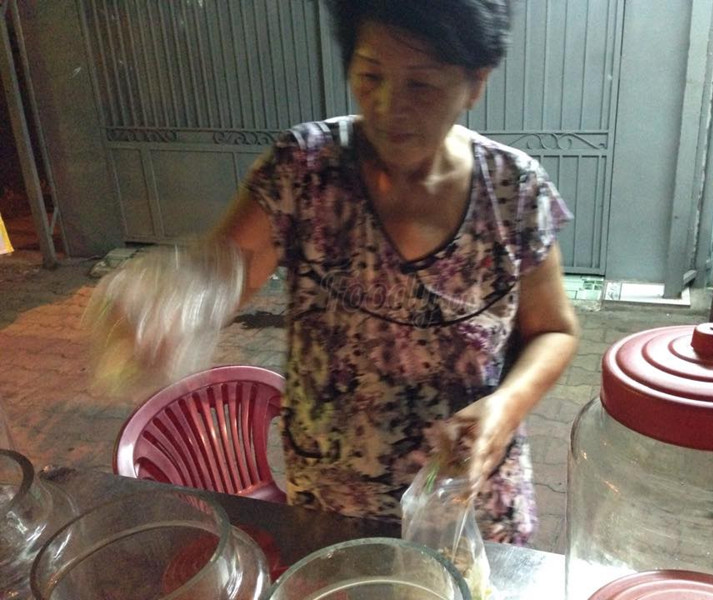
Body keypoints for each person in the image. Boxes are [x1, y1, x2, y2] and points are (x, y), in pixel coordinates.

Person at [91, 0, 579, 546]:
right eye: (370, 75)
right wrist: (169, 303)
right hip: (334, 509)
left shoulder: (515, 191)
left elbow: (554, 330)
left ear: (475, 82)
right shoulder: (305, 170)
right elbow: (223, 273)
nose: (389, 106)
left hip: (467, 504)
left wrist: (505, 408)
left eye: (421, 84)